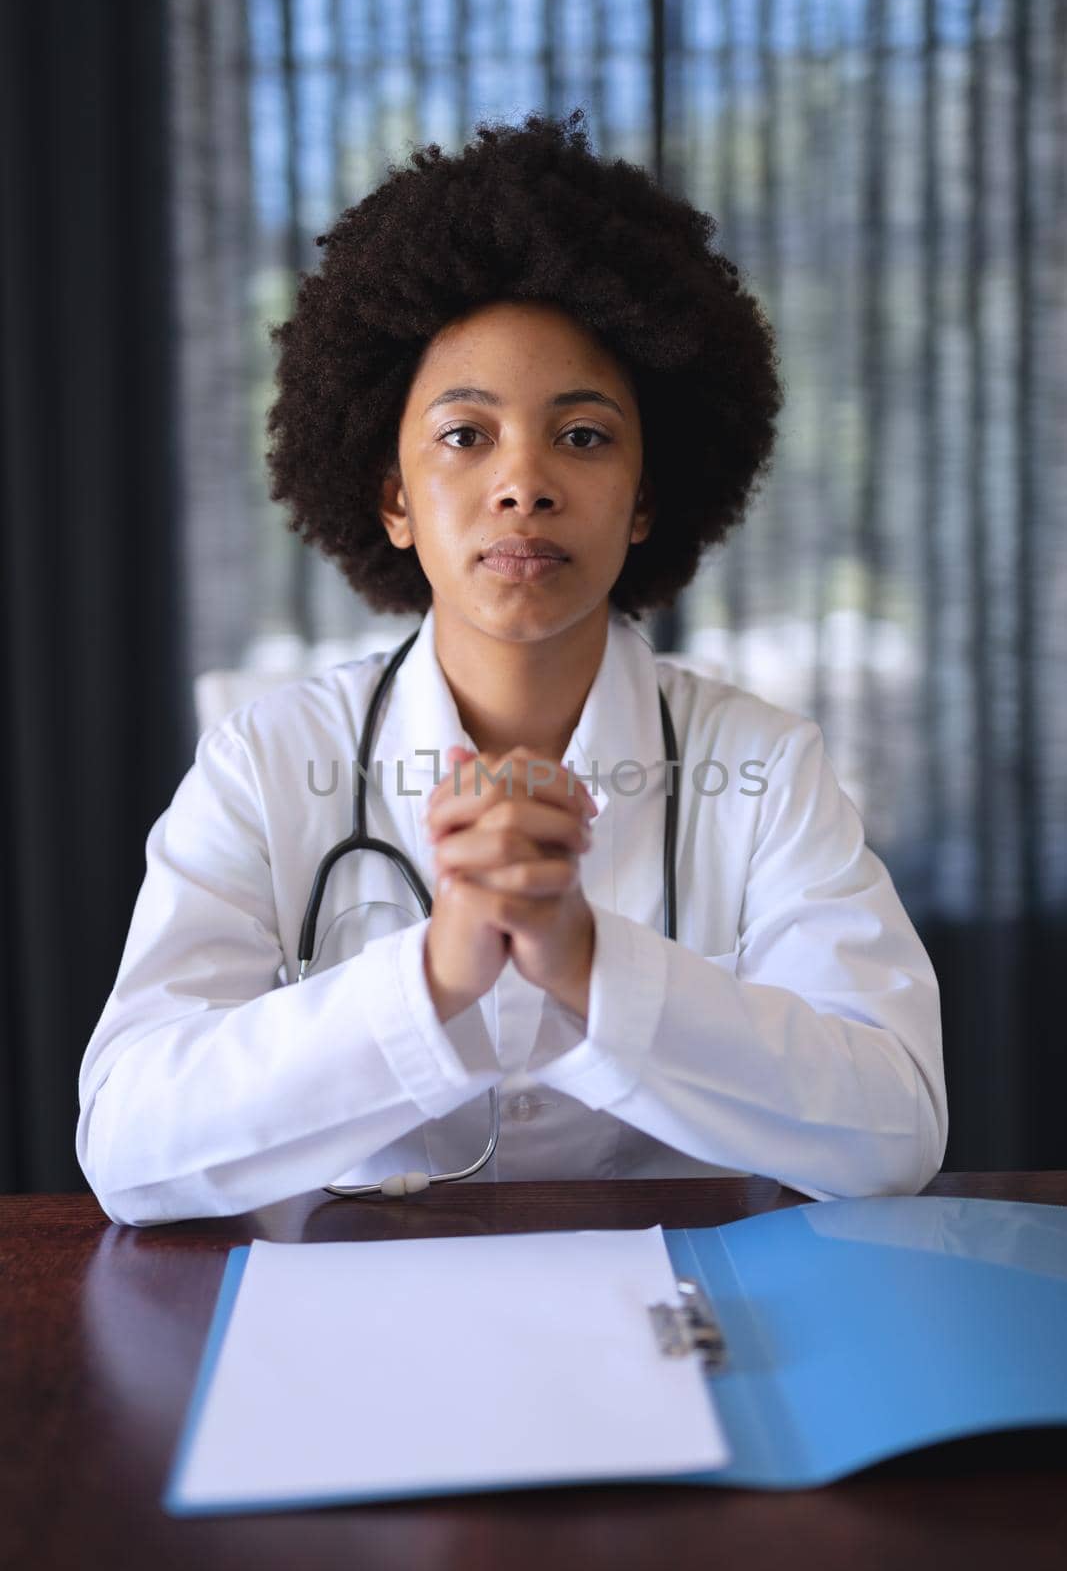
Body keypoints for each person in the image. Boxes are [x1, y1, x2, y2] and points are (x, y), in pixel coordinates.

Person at [76, 109, 947, 1226]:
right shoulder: (267, 758)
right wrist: (430, 978)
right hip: (352, 1337)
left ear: (643, 502)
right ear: (390, 495)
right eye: (463, 434)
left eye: (582, 436)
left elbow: (893, 1131)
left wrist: (588, 964)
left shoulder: (761, 766)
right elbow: (129, 1143)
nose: (523, 483)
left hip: (682, 1339)